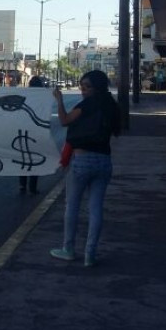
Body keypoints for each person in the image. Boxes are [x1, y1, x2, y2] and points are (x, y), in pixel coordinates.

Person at [50, 69, 121, 267]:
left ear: (96, 87)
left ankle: (69, 249)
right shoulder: (111, 106)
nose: (83, 90)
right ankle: (90, 254)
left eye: (87, 87)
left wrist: (59, 100)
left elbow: (64, 121)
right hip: (104, 161)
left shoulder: (87, 105)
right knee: (95, 207)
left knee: (72, 206)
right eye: (82, 86)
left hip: (82, 160)